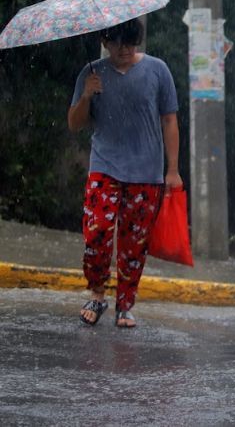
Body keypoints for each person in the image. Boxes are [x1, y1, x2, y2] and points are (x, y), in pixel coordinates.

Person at [67, 18, 182, 329]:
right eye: (118, 43)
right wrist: (87, 95)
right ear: (105, 42)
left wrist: (172, 170)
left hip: (146, 172)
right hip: (105, 166)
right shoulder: (91, 73)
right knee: (97, 232)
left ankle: (125, 303)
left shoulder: (158, 70)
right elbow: (74, 123)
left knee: (134, 242)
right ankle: (96, 292)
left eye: (130, 43)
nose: (125, 50)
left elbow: (169, 120)